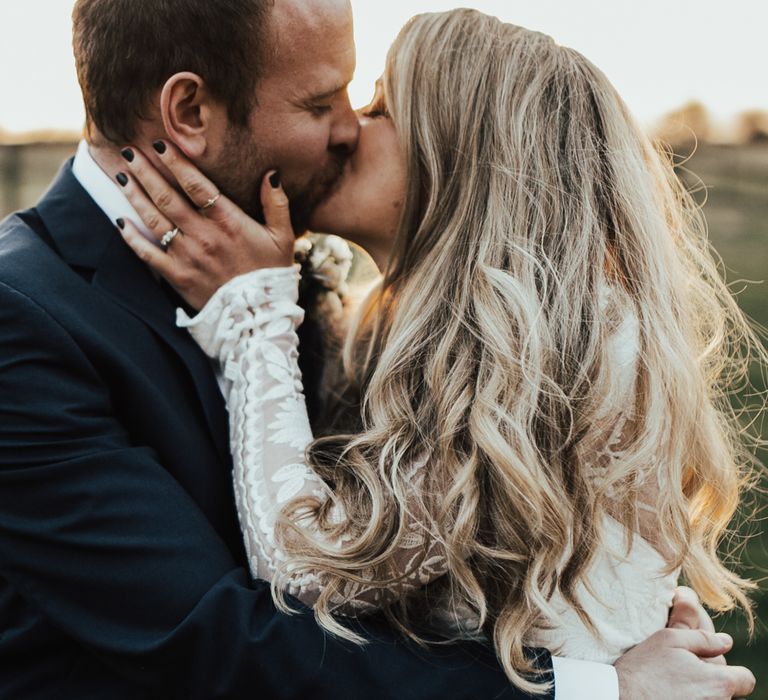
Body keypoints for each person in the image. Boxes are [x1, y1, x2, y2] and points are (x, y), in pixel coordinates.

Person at [113, 7, 762, 700]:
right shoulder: (421, 335)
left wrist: (255, 317)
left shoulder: (574, 351)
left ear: (468, 157)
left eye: (384, 108)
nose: (347, 130)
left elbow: (307, 577)